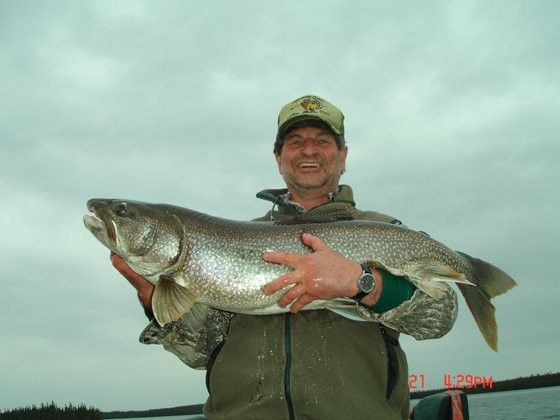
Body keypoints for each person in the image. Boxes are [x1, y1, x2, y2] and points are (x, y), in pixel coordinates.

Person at [111, 94, 458, 419]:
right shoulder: (232, 240)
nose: (309, 149)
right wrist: (157, 305)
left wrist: (362, 282)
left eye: (322, 140)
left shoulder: (385, 232)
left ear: (343, 155)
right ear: (279, 159)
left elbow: (440, 316)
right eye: (295, 142)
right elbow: (201, 352)